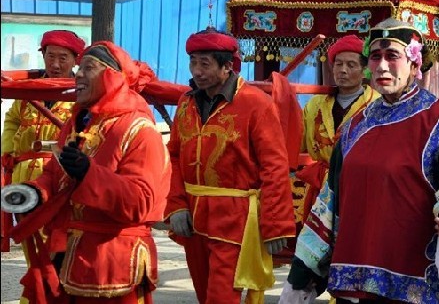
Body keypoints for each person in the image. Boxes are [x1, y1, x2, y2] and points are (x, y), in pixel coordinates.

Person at [284, 19, 439, 303]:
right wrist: (303, 270)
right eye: (375, 57)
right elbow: (329, 202)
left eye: (392, 56)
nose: (381, 66)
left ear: (415, 65)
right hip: (353, 277)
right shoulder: (354, 127)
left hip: (412, 281)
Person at [1, 41, 172, 303]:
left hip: (111, 261)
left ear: (112, 77)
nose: (78, 74)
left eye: (89, 68)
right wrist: (34, 191)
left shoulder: (140, 130)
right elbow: (54, 174)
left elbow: (141, 202)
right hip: (69, 253)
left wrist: (89, 174)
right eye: (80, 67)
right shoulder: (79, 123)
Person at [165, 28, 296, 304]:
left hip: (234, 219)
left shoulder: (255, 104)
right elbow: (174, 155)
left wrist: (275, 224)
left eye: (205, 63)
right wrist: (176, 205)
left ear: (227, 67)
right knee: (203, 292)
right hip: (193, 216)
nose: (196, 71)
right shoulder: (186, 102)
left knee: (221, 297)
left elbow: (274, 166)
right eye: (193, 62)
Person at [1, 30, 85, 302]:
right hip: (23, 177)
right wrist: (9, 148)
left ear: (75, 60)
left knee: (57, 247)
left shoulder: (80, 92)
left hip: (59, 181)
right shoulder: (28, 90)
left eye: (63, 57)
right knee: (31, 245)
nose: (56, 64)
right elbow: (12, 120)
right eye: (51, 56)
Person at [297, 35, 379, 224]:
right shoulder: (315, 105)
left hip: (359, 187)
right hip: (320, 187)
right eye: (338, 64)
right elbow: (298, 144)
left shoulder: (376, 106)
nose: (342, 70)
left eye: (351, 65)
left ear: (365, 70)